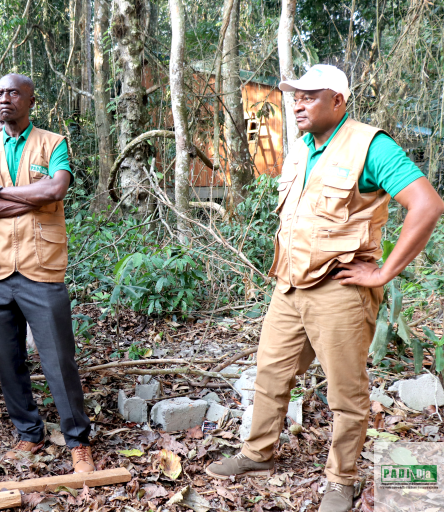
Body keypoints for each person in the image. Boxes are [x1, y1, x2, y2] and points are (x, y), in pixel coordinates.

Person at [204, 65, 444, 512]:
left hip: (340, 290)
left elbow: (427, 205)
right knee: (270, 374)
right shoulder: (300, 150)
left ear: (337, 100)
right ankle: (257, 454)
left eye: (309, 96)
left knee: (345, 393)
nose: (297, 104)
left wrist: (383, 273)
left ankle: (341, 479)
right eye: (295, 97)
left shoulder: (370, 145)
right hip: (289, 285)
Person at [0, 73, 95, 474]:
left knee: (58, 360)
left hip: (41, 268)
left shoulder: (53, 143)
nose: (5, 98)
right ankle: (29, 433)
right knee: (8, 361)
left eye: (14, 92)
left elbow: (55, 190)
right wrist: (27, 198)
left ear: (31, 101)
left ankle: (78, 442)